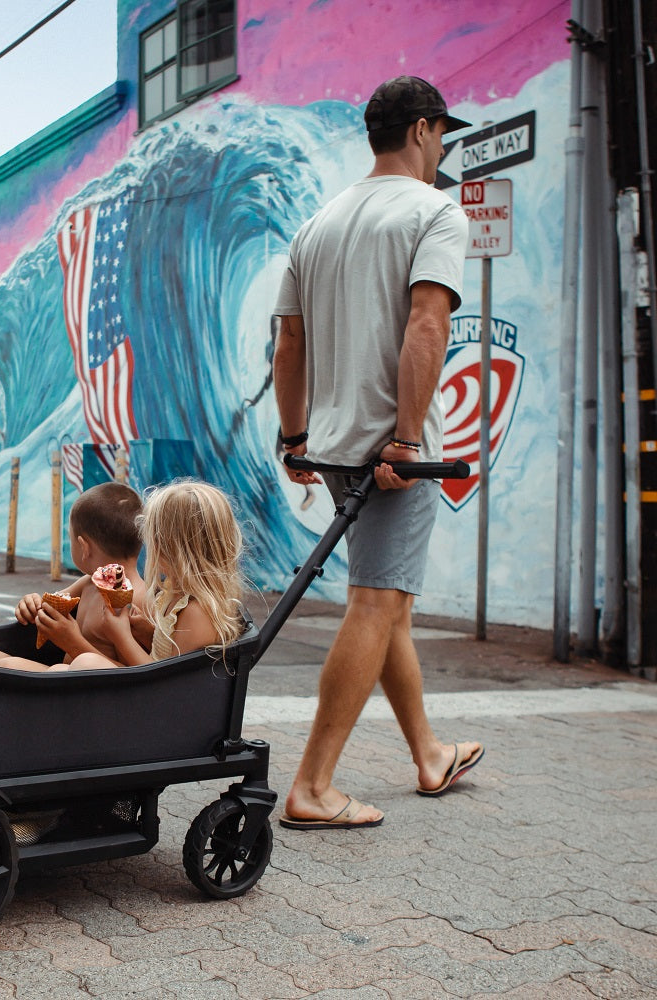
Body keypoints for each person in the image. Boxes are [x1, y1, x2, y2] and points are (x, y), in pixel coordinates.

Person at [272, 76, 484, 830]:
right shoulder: (435, 212)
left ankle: (427, 753)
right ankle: (313, 785)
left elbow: (289, 341)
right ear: (425, 130)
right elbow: (427, 327)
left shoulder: (319, 224)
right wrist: (404, 437)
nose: (442, 149)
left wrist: (295, 437)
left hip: (331, 445)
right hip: (390, 449)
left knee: (385, 594)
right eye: (442, 136)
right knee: (379, 601)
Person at [0, 481, 147, 670]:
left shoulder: (137, 599)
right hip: (62, 680)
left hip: (89, 691)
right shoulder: (88, 584)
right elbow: (49, 605)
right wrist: (32, 604)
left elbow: (129, 675)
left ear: (84, 547)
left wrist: (72, 642)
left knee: (8, 665)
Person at [68, 480, 245, 671]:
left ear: (171, 549)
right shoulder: (175, 594)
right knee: (58, 670)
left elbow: (166, 681)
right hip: (153, 692)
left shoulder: (197, 612)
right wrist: (147, 632)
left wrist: (121, 636)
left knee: (85, 663)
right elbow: (169, 654)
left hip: (158, 697)